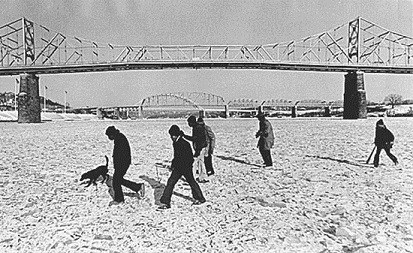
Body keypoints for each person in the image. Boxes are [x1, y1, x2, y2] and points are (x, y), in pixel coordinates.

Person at [158, 125, 206, 209]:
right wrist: (173, 164)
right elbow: (176, 156)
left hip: (185, 167)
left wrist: (179, 165)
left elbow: (188, 157)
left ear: (176, 135)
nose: (172, 137)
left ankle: (200, 198)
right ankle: (166, 202)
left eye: (173, 135)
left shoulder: (183, 143)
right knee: (171, 182)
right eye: (171, 136)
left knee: (190, 182)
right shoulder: (176, 142)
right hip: (179, 167)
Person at [105, 126, 144, 206]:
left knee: (116, 181)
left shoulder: (120, 138)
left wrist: (118, 165)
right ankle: (137, 187)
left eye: (109, 136)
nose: (109, 138)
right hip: (122, 163)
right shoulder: (119, 137)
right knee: (118, 180)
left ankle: (119, 199)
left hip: (122, 163)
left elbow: (121, 154)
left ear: (112, 134)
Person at [183, 115, 209, 183]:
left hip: (199, 148)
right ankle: (202, 177)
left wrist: (198, 150)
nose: (188, 124)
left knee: (193, 163)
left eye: (189, 123)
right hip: (202, 147)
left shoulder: (197, 128)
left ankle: (192, 178)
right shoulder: (198, 127)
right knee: (201, 162)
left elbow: (196, 139)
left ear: (192, 122)